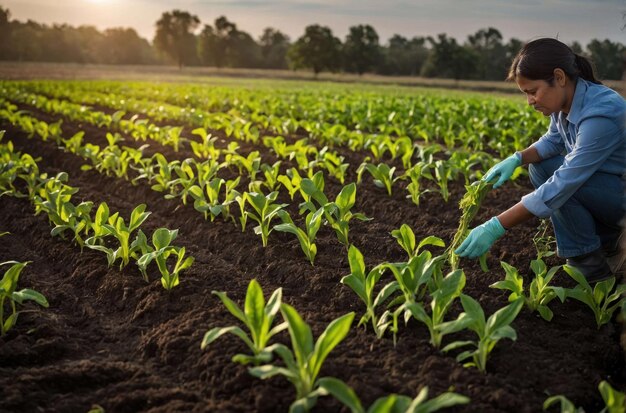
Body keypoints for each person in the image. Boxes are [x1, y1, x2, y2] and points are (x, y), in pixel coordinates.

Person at [454, 37, 626, 283]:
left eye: (533, 92)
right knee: (541, 166)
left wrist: (496, 225)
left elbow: (565, 181)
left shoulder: (603, 113)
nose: (530, 101)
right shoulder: (568, 102)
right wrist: (517, 158)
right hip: (609, 193)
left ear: (559, 77)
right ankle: (599, 243)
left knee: (559, 182)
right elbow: (553, 141)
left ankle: (591, 265)